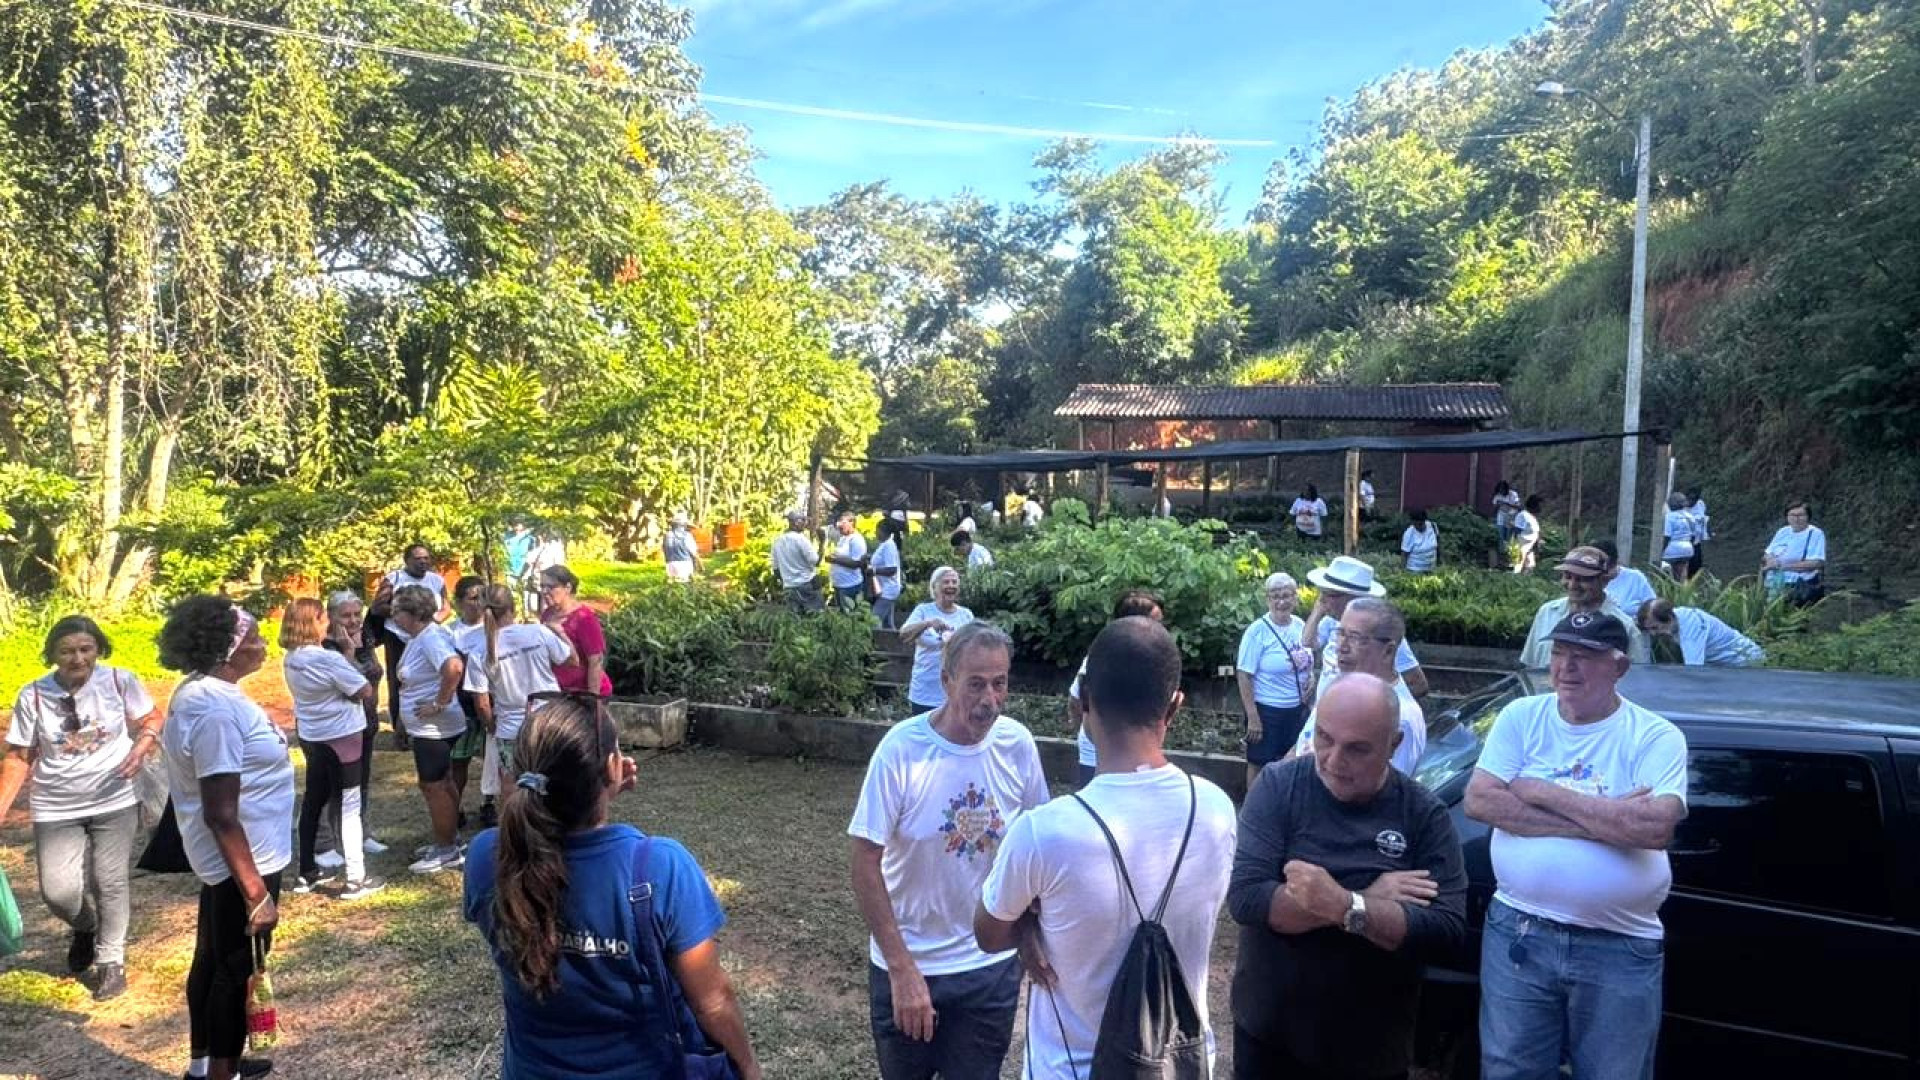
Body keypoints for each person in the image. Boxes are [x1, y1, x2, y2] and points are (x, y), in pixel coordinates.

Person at [976, 617, 1237, 1080]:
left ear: (1084, 703)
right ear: (1174, 708)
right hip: (1180, 1065)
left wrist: (1030, 923)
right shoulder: (1217, 811)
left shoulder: (1045, 832)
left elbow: (989, 933)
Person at [464, 696, 762, 1079]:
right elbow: (712, 1002)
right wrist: (749, 1066)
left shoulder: (487, 857)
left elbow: (548, 854)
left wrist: (592, 796)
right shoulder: (660, 868)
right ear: (611, 766)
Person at [1465, 611, 1689, 1080]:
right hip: (1518, 932)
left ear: (1619, 667)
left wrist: (1543, 791)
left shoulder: (1655, 736)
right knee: (1510, 1069)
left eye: (1584, 656)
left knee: (1614, 1073)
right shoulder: (1522, 717)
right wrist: (1603, 822)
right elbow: (1481, 801)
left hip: (1619, 945)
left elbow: (1653, 829)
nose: (1566, 667)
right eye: (1560, 653)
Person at [1228, 674, 1468, 1079]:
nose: (1334, 760)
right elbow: (1249, 900)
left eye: (1357, 749)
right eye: (1324, 738)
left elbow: (1445, 932)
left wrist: (1341, 903)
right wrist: (1366, 899)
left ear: (1394, 745)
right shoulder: (1278, 787)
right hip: (1270, 1038)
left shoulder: (1422, 815)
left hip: (1370, 1048)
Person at [849, 623, 1048, 1080]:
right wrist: (901, 969)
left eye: (1000, 684)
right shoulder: (902, 750)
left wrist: (1031, 929)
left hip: (989, 967)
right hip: (909, 965)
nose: (989, 699)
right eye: (975, 683)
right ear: (946, 681)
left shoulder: (1017, 744)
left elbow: (1037, 844)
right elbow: (864, 861)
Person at [156, 597, 294, 1080]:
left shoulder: (205, 691)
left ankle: (203, 1065)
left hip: (240, 856)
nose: (264, 644)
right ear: (225, 649)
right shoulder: (212, 709)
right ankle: (222, 1071)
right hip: (243, 860)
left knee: (212, 958)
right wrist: (255, 892)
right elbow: (220, 813)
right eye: (254, 636)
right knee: (235, 971)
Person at [0, 615, 161, 1001]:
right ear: (52, 654)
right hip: (56, 805)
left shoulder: (120, 681)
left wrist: (142, 746)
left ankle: (111, 960)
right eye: (67, 651)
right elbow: (20, 756)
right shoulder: (33, 695)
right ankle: (85, 926)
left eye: (86, 649)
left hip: (114, 797)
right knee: (57, 891)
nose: (77, 659)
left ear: (98, 649)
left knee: (109, 880)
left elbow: (150, 718)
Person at [279, 599, 383, 900]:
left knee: (313, 800)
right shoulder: (327, 659)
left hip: (313, 735)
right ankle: (356, 878)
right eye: (325, 617)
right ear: (313, 622)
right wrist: (349, 654)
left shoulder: (291, 657)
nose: (329, 621)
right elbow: (362, 690)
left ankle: (305, 872)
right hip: (343, 736)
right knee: (349, 804)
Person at [1290, 598, 1428, 777]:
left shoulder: (1401, 718)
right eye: (1340, 633)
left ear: (1388, 651)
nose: (1342, 647)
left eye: (1355, 638)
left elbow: (1378, 797)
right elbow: (1302, 744)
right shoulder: (1338, 690)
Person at [389, 583, 470, 874]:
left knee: (433, 785)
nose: (394, 616)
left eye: (397, 611)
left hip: (434, 728)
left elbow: (453, 667)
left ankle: (446, 849)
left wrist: (439, 703)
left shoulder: (430, 639)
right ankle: (449, 838)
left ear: (413, 613)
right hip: (426, 726)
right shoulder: (420, 637)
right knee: (443, 781)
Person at [469, 585, 574, 802]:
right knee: (554, 775)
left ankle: (513, 828)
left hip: (510, 727)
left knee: (510, 780)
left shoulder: (479, 650)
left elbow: (481, 703)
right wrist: (561, 633)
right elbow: (571, 660)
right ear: (513, 608)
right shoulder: (538, 632)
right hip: (549, 719)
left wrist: (491, 726)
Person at [1067, 588, 1167, 787]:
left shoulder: (1153, 661)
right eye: (1155, 622)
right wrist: (1093, 731)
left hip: (1136, 753)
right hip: (1096, 753)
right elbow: (1075, 700)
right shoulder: (1100, 658)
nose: (1161, 630)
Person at [1302, 556, 1431, 700]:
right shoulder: (1330, 621)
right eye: (1322, 593)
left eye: (1330, 594)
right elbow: (1307, 642)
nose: (1322, 599)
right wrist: (1317, 612)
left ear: (1353, 599)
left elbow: (1418, 685)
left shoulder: (1382, 633)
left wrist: (1370, 710)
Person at [322, 590, 391, 857]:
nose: (353, 621)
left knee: (361, 780)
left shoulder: (368, 636)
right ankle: (326, 842)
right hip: (338, 725)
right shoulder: (326, 646)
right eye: (346, 615)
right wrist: (348, 652)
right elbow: (345, 684)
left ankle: (361, 833)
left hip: (367, 720)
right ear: (331, 616)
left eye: (356, 615)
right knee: (332, 784)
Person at [1235, 573, 1316, 790]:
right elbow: (1244, 674)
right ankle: (1252, 810)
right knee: (1259, 763)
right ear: (1267, 599)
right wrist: (1253, 717)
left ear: (1295, 597)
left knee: (1293, 762)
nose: (1281, 601)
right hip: (1266, 710)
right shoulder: (1256, 631)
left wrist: (1312, 678)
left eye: (1287, 596)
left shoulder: (1300, 625)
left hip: (1297, 709)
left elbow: (1308, 660)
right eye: (1275, 596)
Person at [368, 543, 450, 747]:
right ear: (407, 560)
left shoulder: (436, 580)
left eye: (426, 558)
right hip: (398, 637)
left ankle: (427, 720)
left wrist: (436, 620)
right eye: (418, 558)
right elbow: (378, 607)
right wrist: (403, 615)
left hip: (426, 636)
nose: (423, 562)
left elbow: (446, 606)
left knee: (429, 677)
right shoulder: (394, 579)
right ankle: (401, 730)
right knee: (400, 681)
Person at [1518, 547, 1651, 668]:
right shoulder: (1547, 612)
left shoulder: (1625, 626)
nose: (1572, 585)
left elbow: (1638, 679)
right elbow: (1530, 666)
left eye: (1583, 579)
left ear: (1604, 581)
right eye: (1567, 576)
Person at [898, 567, 974, 714]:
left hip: (955, 690)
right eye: (946, 582)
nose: (951, 586)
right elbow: (904, 634)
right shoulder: (923, 611)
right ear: (935, 587)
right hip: (925, 691)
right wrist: (928, 623)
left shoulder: (966, 615)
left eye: (954, 582)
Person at [449, 576, 493, 830]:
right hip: (463, 703)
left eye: (483, 597)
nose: (478, 604)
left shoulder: (493, 629)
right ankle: (455, 807)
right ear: (459, 603)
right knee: (460, 759)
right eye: (472, 598)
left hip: (490, 699)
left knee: (492, 757)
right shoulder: (452, 631)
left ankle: (489, 803)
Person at [538, 565, 612, 698]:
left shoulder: (584, 618)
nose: (544, 591)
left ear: (567, 588)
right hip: (561, 692)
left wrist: (592, 699)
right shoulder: (547, 615)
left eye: (550, 587)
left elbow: (595, 661)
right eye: (542, 586)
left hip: (583, 693)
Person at [1637, 599, 1766, 667]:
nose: (1653, 634)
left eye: (1655, 628)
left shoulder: (1692, 628)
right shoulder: (1677, 617)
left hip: (1745, 662)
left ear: (1670, 619)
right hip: (1722, 665)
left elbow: (1694, 669)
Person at [1761, 500, 1827, 604]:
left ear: (1807, 517)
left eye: (1800, 515)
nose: (1796, 519)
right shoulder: (1783, 531)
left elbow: (1816, 563)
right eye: (1792, 515)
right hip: (1774, 583)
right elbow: (1768, 553)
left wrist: (1780, 565)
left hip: (1799, 585)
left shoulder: (1815, 534)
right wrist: (1770, 560)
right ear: (1787, 517)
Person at [771, 510, 824, 614]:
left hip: (789, 587)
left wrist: (788, 579)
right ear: (796, 522)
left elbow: (776, 570)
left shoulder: (778, 541)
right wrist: (822, 543)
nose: (805, 523)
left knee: (796, 620)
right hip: (806, 585)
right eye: (803, 520)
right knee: (815, 617)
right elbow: (816, 562)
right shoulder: (801, 540)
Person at [1597, 540, 1657, 618]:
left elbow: (1652, 606)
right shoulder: (1589, 580)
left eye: (1610, 566)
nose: (1606, 574)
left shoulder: (1635, 577)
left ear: (1616, 561)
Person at [826, 511, 871, 615]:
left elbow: (857, 563)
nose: (839, 525)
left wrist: (834, 560)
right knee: (842, 615)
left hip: (849, 585)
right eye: (839, 522)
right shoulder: (843, 538)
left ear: (852, 522)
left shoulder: (856, 539)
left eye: (843, 522)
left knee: (850, 615)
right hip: (839, 584)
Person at [869, 519, 904, 630]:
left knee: (874, 619)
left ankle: (878, 642)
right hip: (884, 588)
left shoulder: (889, 546)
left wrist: (874, 571)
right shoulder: (884, 545)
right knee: (888, 623)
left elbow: (892, 569)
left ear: (883, 531)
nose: (875, 533)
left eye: (877, 530)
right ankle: (893, 644)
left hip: (888, 590)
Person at [1661, 493, 1696, 583]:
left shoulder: (1670, 516)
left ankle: (1669, 591)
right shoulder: (1690, 516)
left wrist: (1662, 550)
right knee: (1682, 574)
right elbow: (1693, 536)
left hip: (1673, 549)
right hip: (1687, 549)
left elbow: (1667, 536)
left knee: (1668, 574)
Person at [662, 512, 702, 584]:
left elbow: (664, 550)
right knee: (684, 586)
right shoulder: (686, 535)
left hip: (669, 564)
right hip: (683, 564)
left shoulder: (667, 535)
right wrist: (701, 565)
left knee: (673, 587)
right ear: (684, 525)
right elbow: (694, 553)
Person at [1510, 495, 1543, 573]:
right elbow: (1517, 531)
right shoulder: (1522, 516)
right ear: (1533, 505)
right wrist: (1515, 547)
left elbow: (1535, 533)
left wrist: (1536, 546)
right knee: (1518, 567)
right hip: (1522, 546)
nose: (1541, 508)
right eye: (1539, 505)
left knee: (1530, 567)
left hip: (1530, 548)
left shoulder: (1532, 517)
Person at [1401, 509, 1438, 573]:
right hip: (1415, 570)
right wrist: (1403, 571)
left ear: (1424, 521)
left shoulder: (1432, 526)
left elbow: (1438, 543)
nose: (1418, 527)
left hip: (1431, 568)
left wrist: (1440, 562)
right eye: (1416, 524)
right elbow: (1404, 554)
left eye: (1421, 524)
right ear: (1413, 522)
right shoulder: (1409, 534)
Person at [1685, 489, 1710, 579]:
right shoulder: (1682, 508)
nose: (1690, 502)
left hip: (1697, 540)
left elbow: (1703, 518)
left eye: (1693, 500)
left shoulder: (1700, 504)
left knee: (1696, 565)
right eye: (1689, 499)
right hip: (1687, 540)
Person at [504, 520, 536, 586]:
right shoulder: (507, 536)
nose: (516, 525)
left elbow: (532, 552)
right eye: (514, 523)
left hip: (525, 568)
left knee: (525, 591)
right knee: (511, 589)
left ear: (523, 525)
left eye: (518, 523)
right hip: (510, 569)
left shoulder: (530, 538)